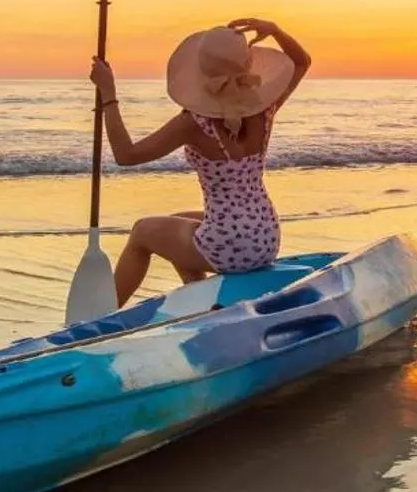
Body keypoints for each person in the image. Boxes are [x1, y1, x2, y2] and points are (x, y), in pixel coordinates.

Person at [87, 18, 311, 306]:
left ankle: (107, 316)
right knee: (178, 222)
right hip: (265, 235)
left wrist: (109, 95)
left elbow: (126, 155)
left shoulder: (193, 123)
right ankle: (203, 299)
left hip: (229, 245)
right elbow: (302, 62)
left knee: (143, 231)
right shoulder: (263, 109)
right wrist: (276, 30)